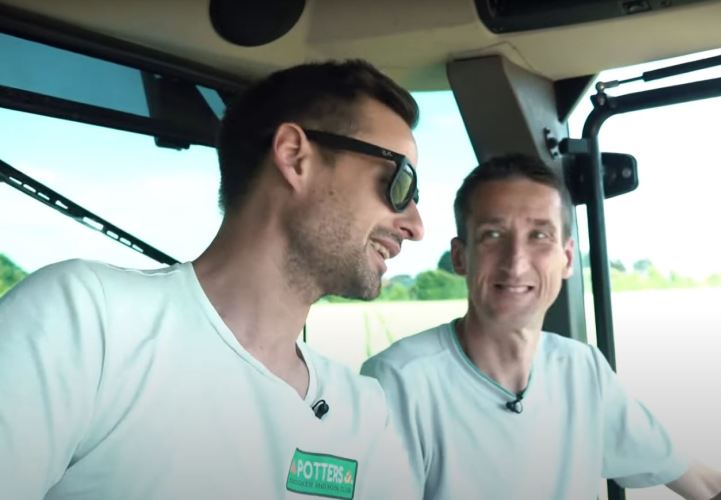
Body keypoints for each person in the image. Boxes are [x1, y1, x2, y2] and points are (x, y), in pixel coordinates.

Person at [0, 60, 425, 500]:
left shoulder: (363, 410)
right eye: (399, 182)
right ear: (295, 157)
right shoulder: (85, 324)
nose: (415, 224)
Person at [361, 153, 721, 500]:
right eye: (493, 235)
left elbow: (699, 482)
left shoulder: (581, 370)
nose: (517, 261)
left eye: (539, 235)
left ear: (564, 260)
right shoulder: (399, 381)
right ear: (461, 257)